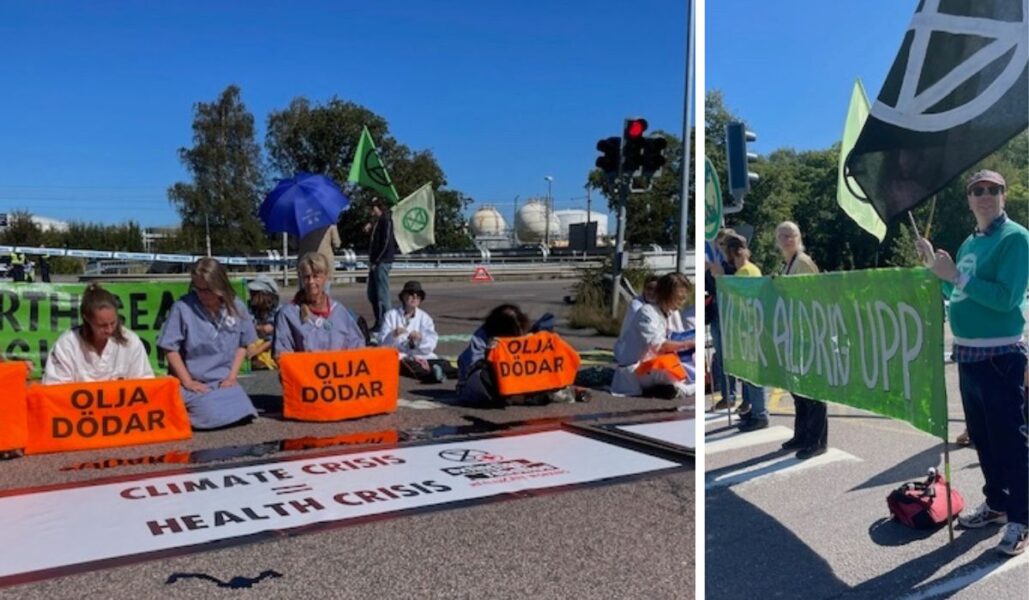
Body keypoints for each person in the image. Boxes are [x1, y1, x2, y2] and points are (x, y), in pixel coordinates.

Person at [915, 169, 1028, 557]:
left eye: (992, 190)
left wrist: (955, 277)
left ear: (1003, 196)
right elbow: (957, 293)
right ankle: (997, 504)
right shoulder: (968, 243)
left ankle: (1022, 519)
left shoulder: (1016, 238)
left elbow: (1006, 298)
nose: (985, 195)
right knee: (982, 439)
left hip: (1000, 356)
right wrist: (938, 270)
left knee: (1011, 442)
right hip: (968, 355)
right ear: (968, 199)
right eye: (977, 190)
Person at [157, 258, 258, 430]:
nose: (201, 294)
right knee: (209, 413)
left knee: (244, 409)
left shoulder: (236, 306)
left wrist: (232, 377)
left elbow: (243, 343)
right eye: (198, 289)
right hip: (193, 381)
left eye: (207, 290)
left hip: (222, 381)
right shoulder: (182, 307)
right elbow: (169, 348)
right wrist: (188, 382)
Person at [774, 221, 828, 459]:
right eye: (783, 235)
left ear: (798, 237)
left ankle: (817, 440)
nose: (787, 239)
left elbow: (813, 296)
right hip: (795, 334)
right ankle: (802, 435)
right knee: (798, 389)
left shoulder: (802, 262)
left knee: (812, 389)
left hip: (808, 334)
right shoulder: (789, 263)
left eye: (792, 235)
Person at [456, 304, 574, 407]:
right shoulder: (482, 336)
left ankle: (540, 393)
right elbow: (471, 369)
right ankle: (532, 396)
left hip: (514, 383)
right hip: (477, 386)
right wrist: (489, 354)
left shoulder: (526, 332)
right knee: (486, 376)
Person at [43, 283, 154, 383]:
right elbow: (55, 388)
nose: (110, 330)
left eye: (113, 323)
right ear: (87, 319)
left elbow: (145, 382)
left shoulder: (131, 341)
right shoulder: (67, 345)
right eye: (102, 325)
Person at [611, 272, 694, 399]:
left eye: (684, 298)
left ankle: (673, 388)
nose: (682, 301)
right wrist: (690, 343)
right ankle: (679, 390)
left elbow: (678, 338)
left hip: (655, 363)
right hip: (637, 368)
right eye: (679, 297)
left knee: (689, 366)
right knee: (670, 374)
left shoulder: (671, 313)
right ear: (667, 295)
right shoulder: (647, 312)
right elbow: (659, 346)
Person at [718, 234, 769, 432]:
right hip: (747, 329)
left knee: (753, 376)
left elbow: (742, 300)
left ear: (732, 252)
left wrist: (720, 279)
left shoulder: (746, 272)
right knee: (747, 375)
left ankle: (760, 414)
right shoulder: (747, 270)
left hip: (750, 330)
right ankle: (755, 412)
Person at [274, 252, 365, 357]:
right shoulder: (288, 314)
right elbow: (281, 354)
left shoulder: (339, 312)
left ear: (326, 277)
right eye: (307, 277)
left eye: (316, 276)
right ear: (301, 278)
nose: (311, 282)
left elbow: (358, 349)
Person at [380, 280, 450, 384]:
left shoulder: (425, 318)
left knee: (444, 364)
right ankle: (432, 375)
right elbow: (382, 344)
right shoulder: (391, 315)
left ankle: (452, 372)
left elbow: (431, 345)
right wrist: (393, 334)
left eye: (418, 295)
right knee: (408, 365)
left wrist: (420, 339)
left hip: (421, 355)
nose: (415, 297)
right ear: (403, 296)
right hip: (402, 356)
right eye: (411, 294)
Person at [707, 228, 739, 410]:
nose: (721, 248)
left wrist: (720, 272)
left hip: (731, 310)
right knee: (721, 355)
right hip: (717, 308)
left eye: (724, 244)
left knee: (734, 354)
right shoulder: (716, 261)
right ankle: (728, 395)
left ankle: (741, 398)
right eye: (719, 244)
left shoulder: (734, 263)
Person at [365, 198, 397, 339]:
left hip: (382, 262)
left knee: (383, 295)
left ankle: (388, 324)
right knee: (372, 294)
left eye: (372, 209)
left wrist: (377, 260)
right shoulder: (377, 222)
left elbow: (385, 243)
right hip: (374, 262)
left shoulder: (386, 220)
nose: (370, 212)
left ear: (378, 208)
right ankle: (379, 321)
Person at [246, 276, 280, 370]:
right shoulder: (250, 309)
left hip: (268, 345)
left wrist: (257, 351)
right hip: (254, 342)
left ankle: (259, 359)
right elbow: (246, 326)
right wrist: (260, 328)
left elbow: (275, 338)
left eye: (254, 293)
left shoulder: (278, 312)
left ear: (265, 295)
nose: (251, 295)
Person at [298, 224, 341, 293]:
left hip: (305, 264)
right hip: (324, 264)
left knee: (304, 294)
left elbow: (294, 244)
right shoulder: (329, 224)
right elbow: (337, 243)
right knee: (324, 293)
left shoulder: (301, 224)